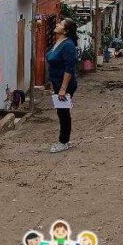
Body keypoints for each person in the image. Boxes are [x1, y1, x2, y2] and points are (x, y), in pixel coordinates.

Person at [47, 18, 79, 153]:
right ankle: (65, 140)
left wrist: (63, 89)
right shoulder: (58, 42)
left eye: (60, 24)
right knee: (62, 112)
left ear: (65, 31)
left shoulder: (68, 46)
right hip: (57, 83)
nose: (57, 24)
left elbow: (69, 69)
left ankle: (63, 141)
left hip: (65, 85)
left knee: (63, 112)